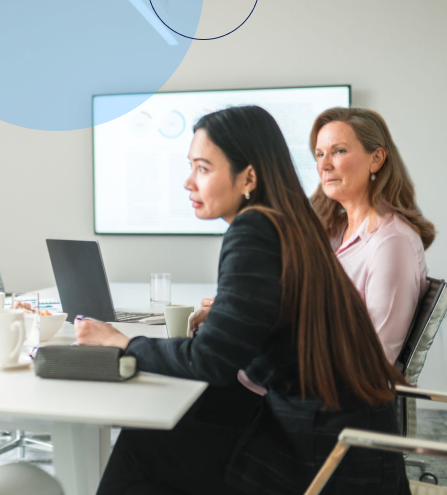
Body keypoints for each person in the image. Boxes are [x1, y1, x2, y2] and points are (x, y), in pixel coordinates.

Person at [75, 106, 408, 495]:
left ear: (248, 176)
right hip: (346, 445)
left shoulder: (255, 229)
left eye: (203, 168)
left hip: (319, 457)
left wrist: (123, 342)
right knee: (161, 436)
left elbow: (212, 361)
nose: (188, 182)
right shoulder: (290, 222)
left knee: (142, 447)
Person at [310, 107, 435, 363]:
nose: (323, 164)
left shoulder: (392, 242)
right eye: (319, 154)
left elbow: (376, 357)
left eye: (339, 151)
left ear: (376, 158)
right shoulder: (337, 230)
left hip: (331, 392)